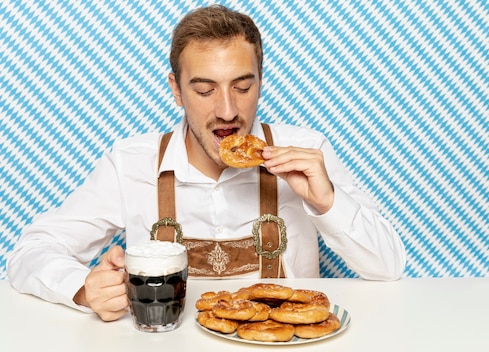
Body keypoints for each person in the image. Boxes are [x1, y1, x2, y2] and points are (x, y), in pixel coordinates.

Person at [7, 5, 406, 322]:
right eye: (204, 89)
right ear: (176, 91)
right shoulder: (130, 164)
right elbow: (31, 251)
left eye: (242, 86)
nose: (228, 110)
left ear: (261, 83)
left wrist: (327, 202)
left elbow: (388, 268)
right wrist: (82, 288)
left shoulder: (306, 151)